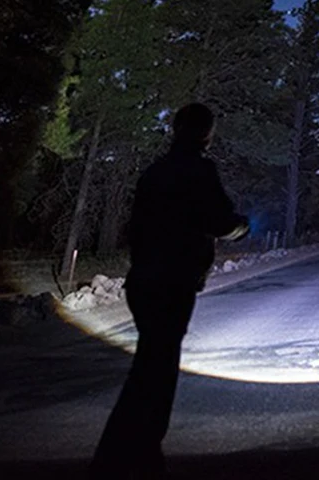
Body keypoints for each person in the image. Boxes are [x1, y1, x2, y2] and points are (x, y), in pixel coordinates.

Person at [91, 102, 248, 478]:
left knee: (149, 365)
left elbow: (137, 227)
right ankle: (134, 455)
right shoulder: (199, 169)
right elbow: (219, 218)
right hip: (173, 282)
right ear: (205, 133)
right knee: (157, 371)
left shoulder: (154, 172)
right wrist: (240, 226)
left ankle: (127, 452)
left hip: (143, 280)